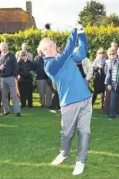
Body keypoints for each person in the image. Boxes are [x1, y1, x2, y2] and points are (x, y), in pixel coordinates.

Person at [39, 27, 91, 176]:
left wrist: (81, 34)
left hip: (86, 99)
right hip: (69, 103)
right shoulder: (49, 65)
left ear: (54, 44)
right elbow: (68, 51)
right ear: (42, 52)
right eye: (46, 48)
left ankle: (80, 161)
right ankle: (64, 153)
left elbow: (82, 52)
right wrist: (74, 31)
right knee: (67, 134)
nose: (50, 48)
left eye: (51, 44)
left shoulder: (65, 56)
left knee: (85, 132)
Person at [0, 42, 21, 117]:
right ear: (0, 48)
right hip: (1, 78)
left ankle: (17, 111)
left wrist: (14, 75)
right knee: (4, 96)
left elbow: (15, 66)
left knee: (14, 95)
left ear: (7, 47)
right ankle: (6, 111)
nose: (3, 48)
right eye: (2, 47)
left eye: (5, 47)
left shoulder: (12, 56)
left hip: (10, 77)